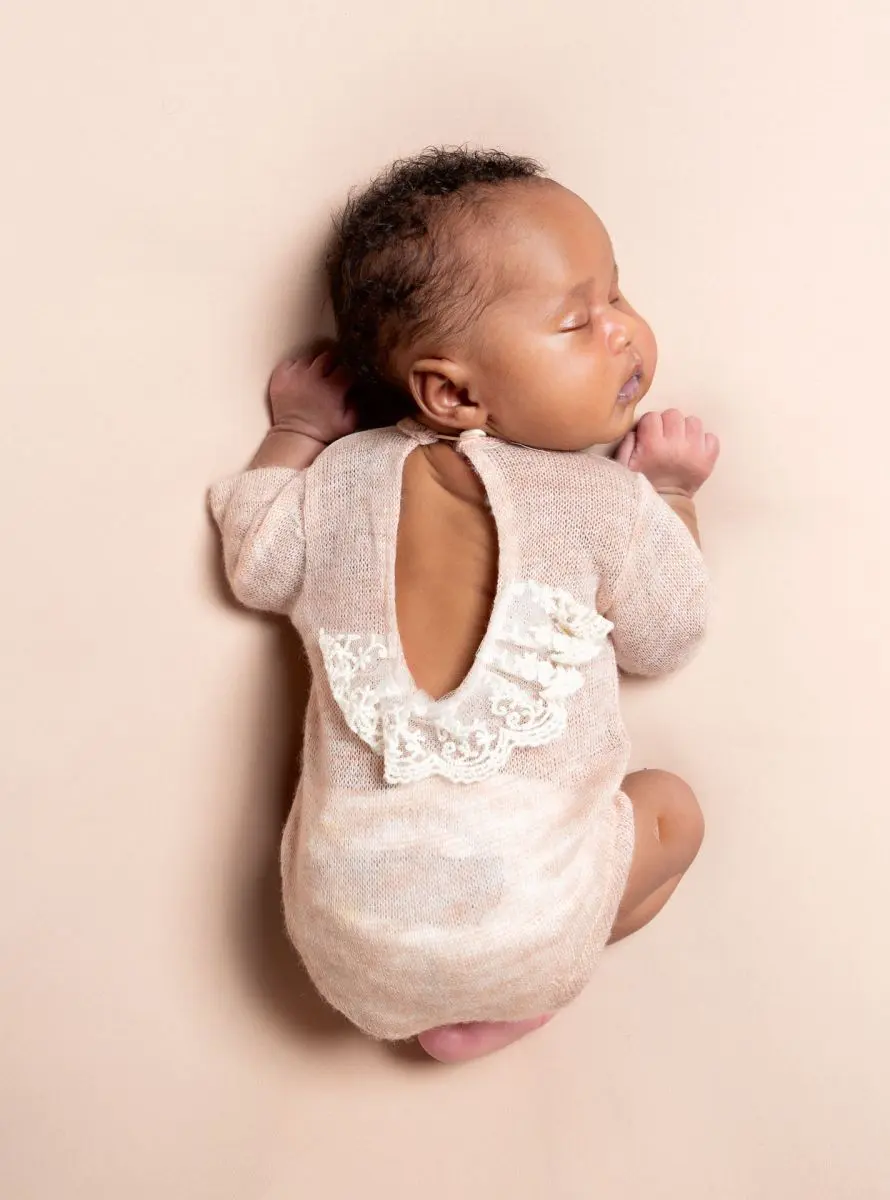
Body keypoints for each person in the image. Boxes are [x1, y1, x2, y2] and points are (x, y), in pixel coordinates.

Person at [210, 147, 719, 1063]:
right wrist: (673, 496)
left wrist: (293, 432)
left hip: (343, 936)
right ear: (452, 391)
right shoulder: (603, 505)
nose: (623, 333)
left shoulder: (338, 480)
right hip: (534, 926)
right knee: (675, 811)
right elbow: (668, 633)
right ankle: (508, 1002)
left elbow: (254, 559)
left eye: (617, 295)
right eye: (576, 323)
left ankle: (448, 995)